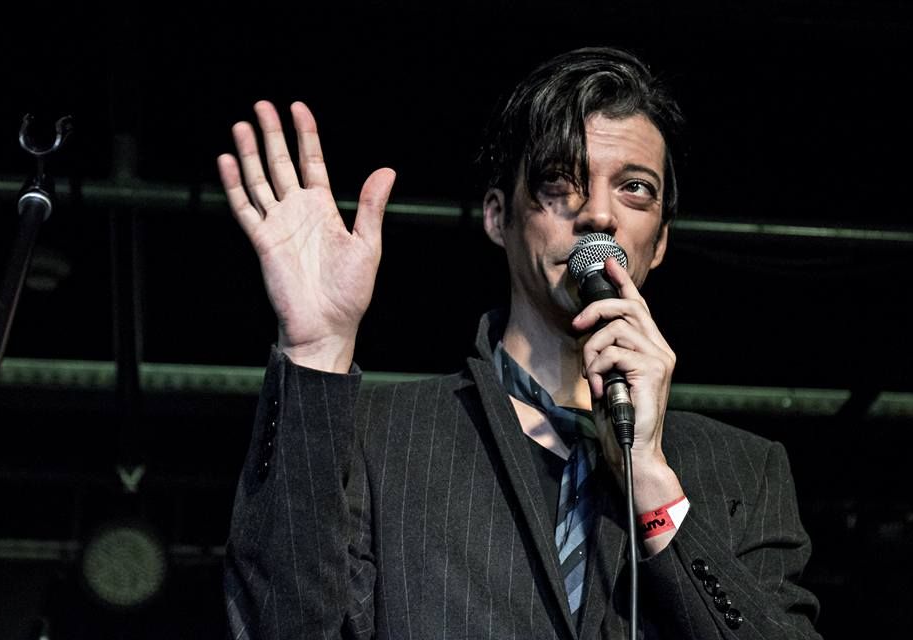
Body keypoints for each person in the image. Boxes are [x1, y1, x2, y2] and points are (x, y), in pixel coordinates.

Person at [219, 47, 822, 639]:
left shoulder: (747, 472)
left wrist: (651, 483)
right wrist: (316, 352)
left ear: (660, 241)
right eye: (561, 180)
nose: (598, 214)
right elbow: (281, 625)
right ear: (497, 216)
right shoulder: (380, 435)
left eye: (635, 187)